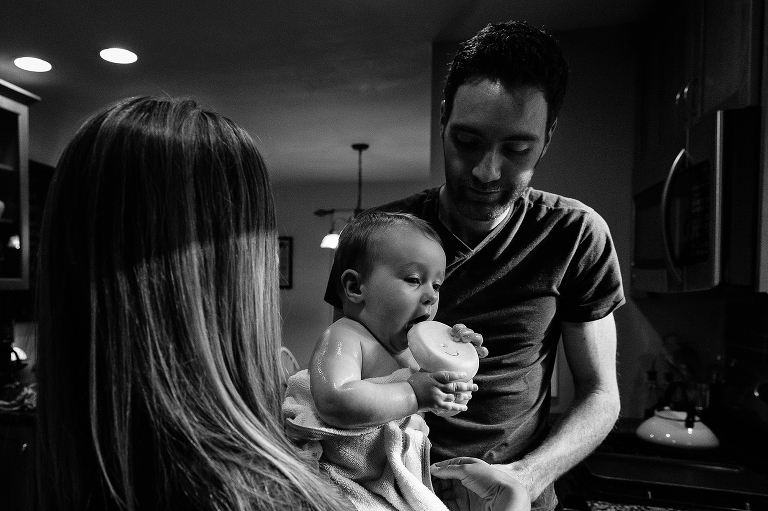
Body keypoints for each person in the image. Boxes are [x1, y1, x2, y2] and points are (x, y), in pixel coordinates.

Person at [35, 96, 530, 511]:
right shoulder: (270, 487)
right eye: (263, 243)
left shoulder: (83, 470)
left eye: (436, 285)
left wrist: (448, 369)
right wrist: (512, 503)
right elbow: (342, 400)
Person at [325, 21, 624, 511]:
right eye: (467, 140)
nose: (487, 172)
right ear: (443, 119)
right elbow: (346, 375)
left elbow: (600, 394)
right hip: (387, 492)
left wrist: (522, 478)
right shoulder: (373, 242)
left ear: (547, 139)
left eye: (517, 150)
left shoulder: (576, 235)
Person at [284, 211, 529, 511]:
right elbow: (334, 400)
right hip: (344, 480)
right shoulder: (347, 335)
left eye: (436, 285)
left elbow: (438, 408)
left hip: (390, 483)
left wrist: (454, 376)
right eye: (414, 279)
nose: (431, 296)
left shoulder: (412, 354)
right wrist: (414, 393)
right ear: (355, 287)